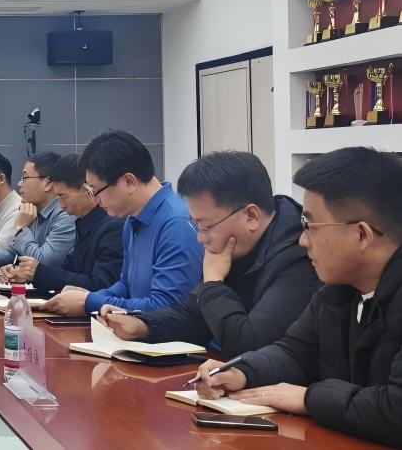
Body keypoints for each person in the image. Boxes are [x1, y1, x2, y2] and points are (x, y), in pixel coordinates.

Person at [195, 147, 402, 447]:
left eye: (311, 226)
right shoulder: (337, 290)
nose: (303, 240)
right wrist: (240, 372)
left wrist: (308, 398)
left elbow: (395, 411)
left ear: (362, 235)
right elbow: (295, 352)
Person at [100, 151, 318, 358]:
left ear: (251, 216)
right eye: (196, 225)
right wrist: (143, 325)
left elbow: (250, 345)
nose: (200, 237)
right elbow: (193, 314)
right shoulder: (231, 247)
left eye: (205, 226)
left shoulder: (298, 257)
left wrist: (213, 283)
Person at [41, 130, 202, 316]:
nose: (96, 199)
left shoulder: (176, 223)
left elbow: (166, 308)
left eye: (95, 190)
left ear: (129, 182)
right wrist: (89, 297)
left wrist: (89, 302)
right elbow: (126, 286)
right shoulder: (132, 220)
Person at [0, 154, 123, 292]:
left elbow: (101, 285)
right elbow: (66, 269)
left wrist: (38, 272)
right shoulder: (84, 222)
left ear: (88, 190)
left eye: (63, 196)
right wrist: (26, 273)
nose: (61, 205)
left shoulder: (112, 228)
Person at [0, 152, 75, 268]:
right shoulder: (32, 211)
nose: (19, 184)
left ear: (48, 183)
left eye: (25, 178)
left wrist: (21, 228)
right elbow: (14, 252)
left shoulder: (65, 217)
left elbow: (42, 263)